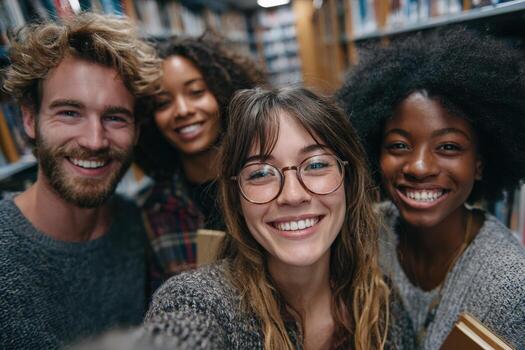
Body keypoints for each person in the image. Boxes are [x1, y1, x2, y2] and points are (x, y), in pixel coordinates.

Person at [143, 87, 406, 350]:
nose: (292, 195)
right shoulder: (197, 302)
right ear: (237, 196)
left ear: (348, 180)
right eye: (261, 173)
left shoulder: (382, 301)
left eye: (315, 165)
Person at [337, 28, 525, 349]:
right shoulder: (365, 232)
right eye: (398, 145)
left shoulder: (508, 285)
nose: (419, 167)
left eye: (448, 147)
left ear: (480, 163)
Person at [0, 12, 161, 350]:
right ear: (29, 118)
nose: (94, 140)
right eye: (70, 113)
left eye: (115, 117)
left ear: (137, 130)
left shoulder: (135, 222)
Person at [134, 36, 264, 281]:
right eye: (163, 102)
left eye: (196, 92)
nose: (183, 110)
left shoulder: (266, 182)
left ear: (224, 92)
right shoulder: (150, 212)